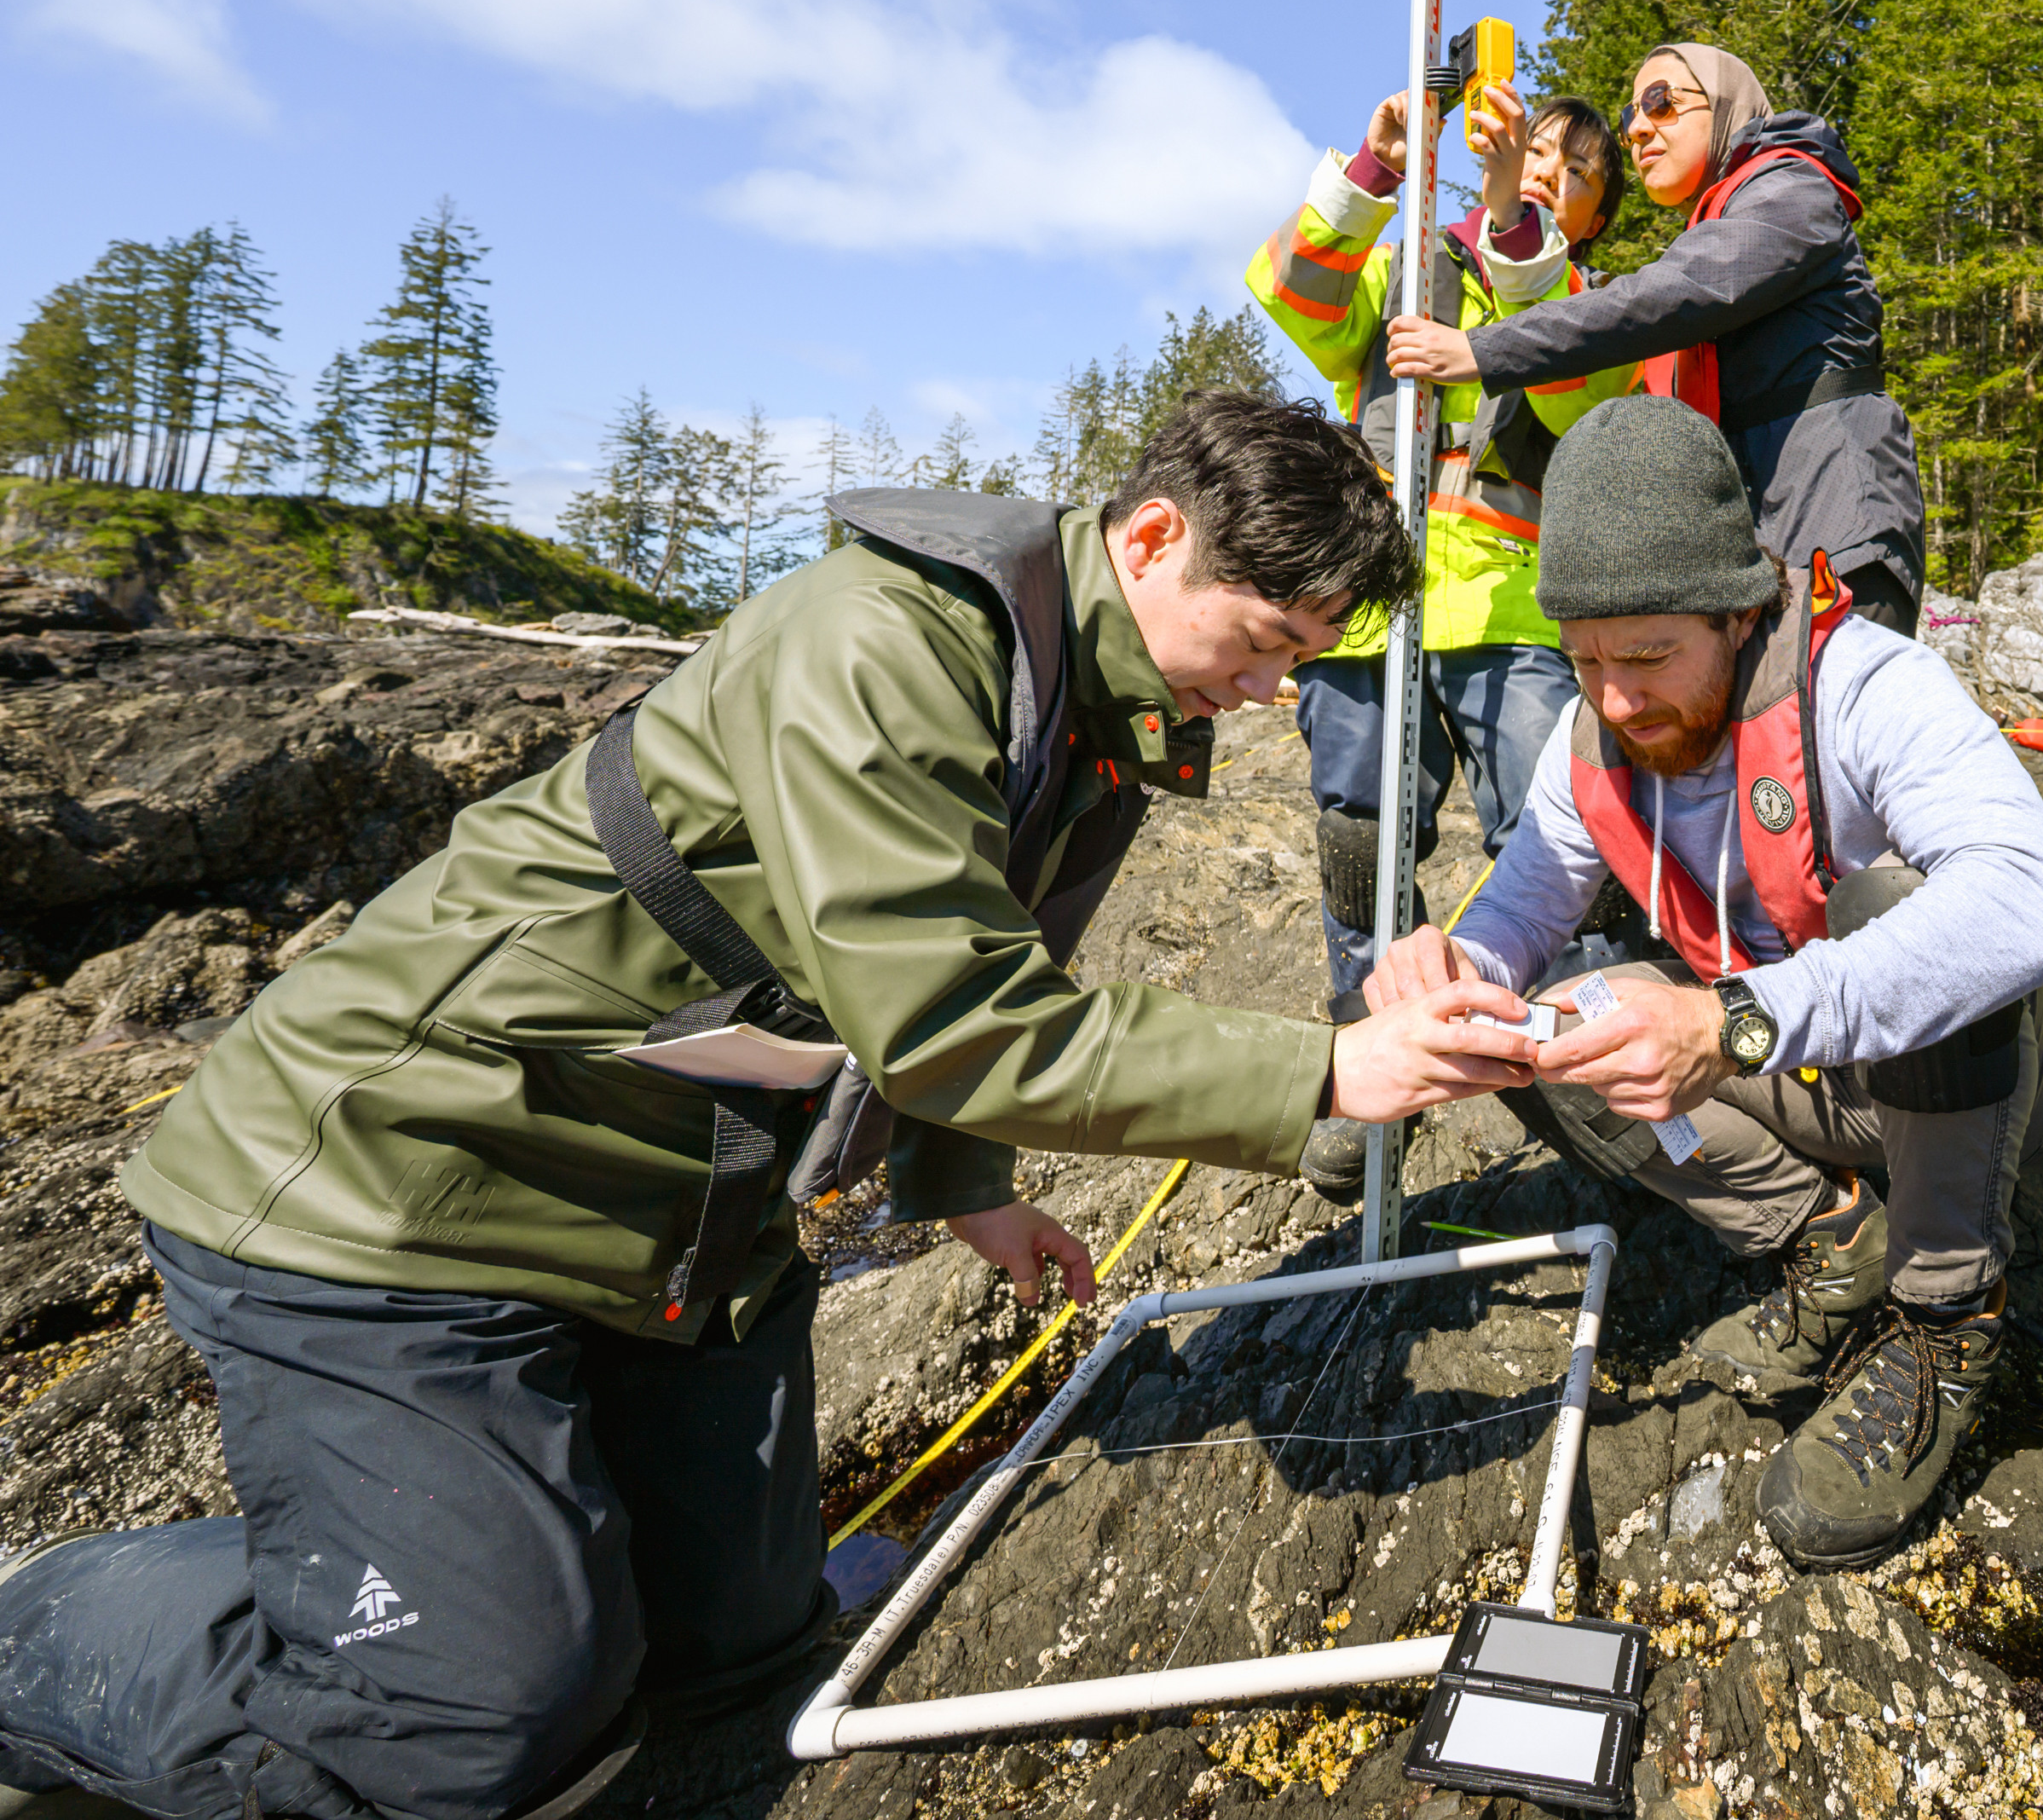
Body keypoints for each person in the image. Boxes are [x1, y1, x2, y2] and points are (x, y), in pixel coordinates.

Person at [0, 397, 1542, 1820]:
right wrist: (1322, 1071)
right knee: (474, 1717)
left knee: (738, 1643)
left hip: (659, 1206)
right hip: (397, 1177)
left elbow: (994, 954)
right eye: (1268, 640)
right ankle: (43, 1626)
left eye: (1300, 661)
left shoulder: (1100, 699)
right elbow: (950, 1018)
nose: (1273, 691)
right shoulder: (888, 641)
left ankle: (438, 1560)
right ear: (1151, 537)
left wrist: (970, 1184)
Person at [1360, 397, 2043, 1571]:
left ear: (1738, 607)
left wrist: (1733, 1017)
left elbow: (2030, 900)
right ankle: (1828, 1233)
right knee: (1535, 1020)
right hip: (1802, 1071)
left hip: (1987, 1089)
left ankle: (1944, 1313)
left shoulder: (1865, 684)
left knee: (1897, 905)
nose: (1613, 697)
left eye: (1649, 656)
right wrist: (1460, 969)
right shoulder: (1589, 734)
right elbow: (1519, 909)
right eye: (1586, 658)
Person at [1247, 79, 1637, 1192]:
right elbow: (1297, 291)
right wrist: (1373, 168)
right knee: (1358, 842)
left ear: (1596, 212)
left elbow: (1575, 385)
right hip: (1375, 602)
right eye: (1533, 152)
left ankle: (1595, 1058)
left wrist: (1520, 217)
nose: (1550, 169)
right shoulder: (1404, 260)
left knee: (1559, 837)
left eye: (1575, 168)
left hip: (1514, 602)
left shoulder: (1586, 296)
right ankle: (1378, 1069)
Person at [1381, 43, 1929, 636]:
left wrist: (1483, 350)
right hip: (1765, 542)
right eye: (1630, 115)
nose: (1638, 128)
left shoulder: (1791, 189)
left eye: (1661, 102)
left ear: (1724, 106)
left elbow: (1668, 296)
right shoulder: (1722, 219)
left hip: (1836, 526)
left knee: (1836, 721)